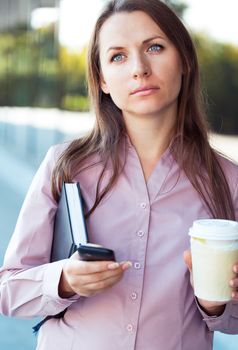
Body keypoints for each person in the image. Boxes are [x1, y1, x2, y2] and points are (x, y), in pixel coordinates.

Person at [0, 0, 238, 349]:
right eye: (118, 57)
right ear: (102, 81)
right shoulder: (65, 166)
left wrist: (215, 300)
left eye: (154, 47)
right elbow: (8, 291)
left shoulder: (228, 182)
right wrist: (64, 280)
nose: (139, 69)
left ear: (184, 59)